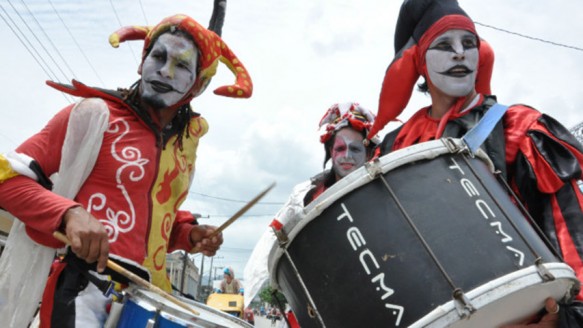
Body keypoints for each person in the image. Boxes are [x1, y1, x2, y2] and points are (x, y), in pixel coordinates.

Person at [0, 11, 253, 327]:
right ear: (141, 60)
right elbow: (6, 177)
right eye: (158, 56)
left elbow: (155, 224)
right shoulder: (94, 116)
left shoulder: (185, 144)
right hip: (85, 291)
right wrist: (69, 214)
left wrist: (190, 235)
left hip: (147, 302)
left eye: (182, 65)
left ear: (198, 85)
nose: (165, 70)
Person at [367, 0, 583, 326]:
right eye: (444, 44)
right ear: (420, 63)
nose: (460, 53)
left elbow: (570, 233)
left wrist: (567, 317)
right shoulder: (395, 145)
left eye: (469, 43)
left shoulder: (517, 127)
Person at [243, 102, 379, 308]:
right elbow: (271, 243)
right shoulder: (305, 195)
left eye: (355, 149)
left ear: (369, 152)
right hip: (324, 295)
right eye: (340, 148)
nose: (347, 156)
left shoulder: (382, 187)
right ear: (330, 152)